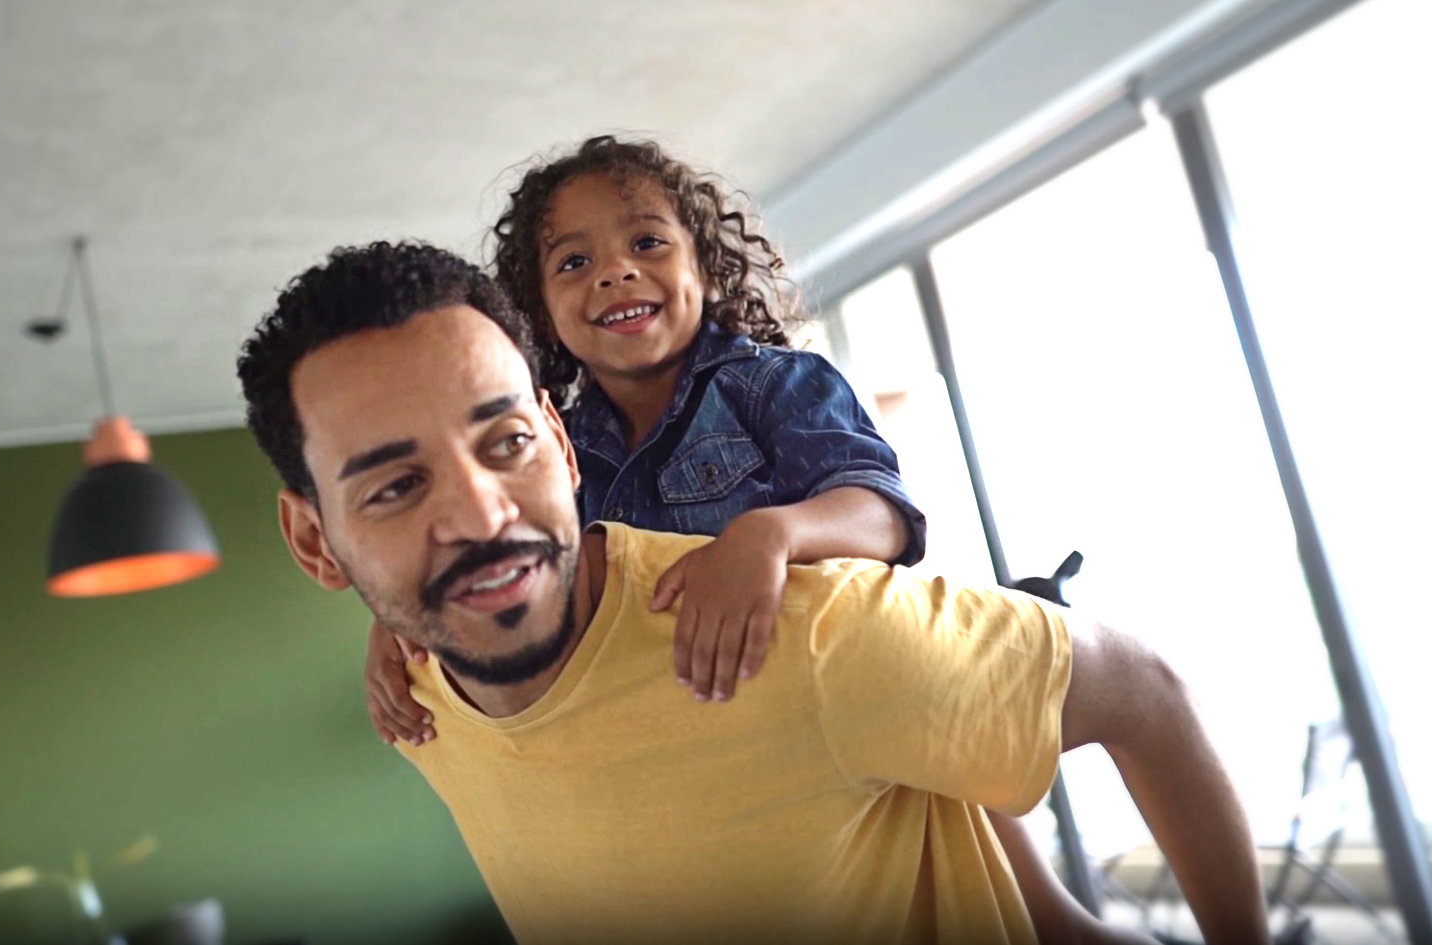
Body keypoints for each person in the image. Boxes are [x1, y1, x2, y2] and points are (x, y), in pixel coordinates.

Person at [237, 241, 1268, 945]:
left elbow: (1150, 693)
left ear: (558, 440)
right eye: (396, 485)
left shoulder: (806, 639)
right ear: (313, 540)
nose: (482, 513)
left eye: (505, 442)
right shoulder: (420, 697)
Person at [362, 135, 1131, 944]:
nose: (614, 272)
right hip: (709, 738)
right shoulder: (559, 445)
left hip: (841, 688)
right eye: (572, 263)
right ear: (539, 313)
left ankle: (1062, 915)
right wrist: (397, 621)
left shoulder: (772, 381)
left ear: (705, 264)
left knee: (991, 854)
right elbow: (512, 550)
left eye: (646, 242)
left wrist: (772, 533)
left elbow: (884, 514)